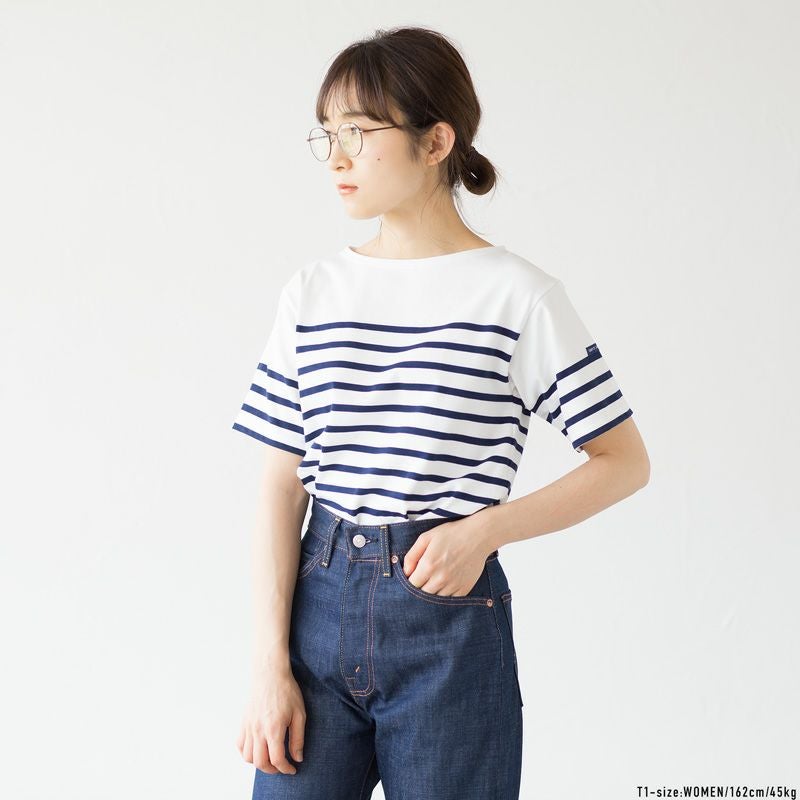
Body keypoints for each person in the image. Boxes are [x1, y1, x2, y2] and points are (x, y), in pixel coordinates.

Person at [232, 25, 650, 800]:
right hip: (316, 614)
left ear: (436, 141)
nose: (337, 157)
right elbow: (280, 487)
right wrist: (267, 667)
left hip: (449, 623)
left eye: (358, 132)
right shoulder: (313, 294)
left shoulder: (518, 296)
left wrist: (484, 531)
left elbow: (624, 463)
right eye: (327, 134)